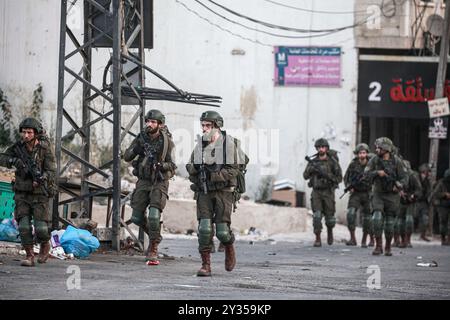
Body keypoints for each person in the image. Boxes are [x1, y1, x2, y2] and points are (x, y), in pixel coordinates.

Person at [186, 111, 243, 277]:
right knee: (204, 229)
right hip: (204, 191)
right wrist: (197, 167)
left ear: (217, 126)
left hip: (223, 192)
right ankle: (206, 265)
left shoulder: (229, 145)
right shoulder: (200, 145)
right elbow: (189, 166)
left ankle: (229, 245)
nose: (204, 129)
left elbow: (234, 170)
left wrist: (214, 175)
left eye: (208, 126)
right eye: (203, 125)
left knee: (222, 232)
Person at [0, 117, 56, 267]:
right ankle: (30, 255)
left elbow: (52, 171)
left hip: (39, 194)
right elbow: (3, 158)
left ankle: (45, 244)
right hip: (22, 192)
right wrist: (14, 161)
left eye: (29, 132)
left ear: (36, 133)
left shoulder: (44, 149)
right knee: (23, 227)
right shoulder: (17, 147)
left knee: (41, 229)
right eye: (24, 132)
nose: (25, 135)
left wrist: (42, 178)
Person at [123, 109, 176, 265]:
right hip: (143, 181)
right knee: (136, 218)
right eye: (148, 121)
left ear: (160, 124)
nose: (149, 124)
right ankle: (155, 235)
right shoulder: (141, 138)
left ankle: (153, 246)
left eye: (153, 122)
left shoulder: (167, 142)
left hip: (159, 181)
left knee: (154, 215)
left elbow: (173, 166)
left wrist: (162, 165)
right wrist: (136, 148)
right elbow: (127, 157)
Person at [363, 137, 408, 256]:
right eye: (376, 147)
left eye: (380, 147)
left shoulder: (397, 161)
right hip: (378, 193)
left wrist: (399, 185)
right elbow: (366, 175)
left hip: (392, 196)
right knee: (376, 219)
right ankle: (378, 245)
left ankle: (388, 246)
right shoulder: (374, 160)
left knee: (390, 224)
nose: (377, 149)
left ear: (386, 149)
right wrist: (377, 173)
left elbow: (404, 177)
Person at [303, 138, 342, 247]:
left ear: (326, 148)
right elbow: (305, 176)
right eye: (319, 147)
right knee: (317, 216)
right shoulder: (313, 161)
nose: (321, 149)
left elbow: (339, 177)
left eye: (323, 147)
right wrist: (311, 170)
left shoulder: (332, 162)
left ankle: (330, 232)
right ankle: (318, 238)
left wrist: (329, 177)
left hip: (328, 192)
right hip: (316, 192)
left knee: (330, 218)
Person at [343, 143, 373, 247]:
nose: (362, 155)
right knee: (351, 214)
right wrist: (349, 186)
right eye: (360, 153)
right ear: (357, 154)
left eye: (364, 152)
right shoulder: (353, 164)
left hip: (368, 193)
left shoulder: (372, 164)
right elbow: (346, 177)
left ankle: (365, 240)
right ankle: (353, 239)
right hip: (355, 193)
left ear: (367, 153)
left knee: (368, 218)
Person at [394, 160, 421, 248]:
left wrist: (413, 195)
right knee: (397, 222)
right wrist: (398, 191)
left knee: (409, 220)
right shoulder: (396, 174)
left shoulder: (412, 176)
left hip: (409, 201)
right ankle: (398, 240)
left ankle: (407, 240)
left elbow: (418, 189)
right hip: (399, 200)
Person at [430, 169, 450, 246]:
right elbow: (435, 194)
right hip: (442, 206)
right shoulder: (441, 183)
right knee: (443, 222)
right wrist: (445, 194)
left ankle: (448, 239)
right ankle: (443, 239)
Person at [416, 163, 432, 242]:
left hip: (423, 203)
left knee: (425, 219)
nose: (427, 174)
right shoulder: (415, 179)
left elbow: (429, 191)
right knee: (410, 219)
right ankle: (405, 237)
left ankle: (423, 235)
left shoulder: (427, 181)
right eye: (426, 172)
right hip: (415, 202)